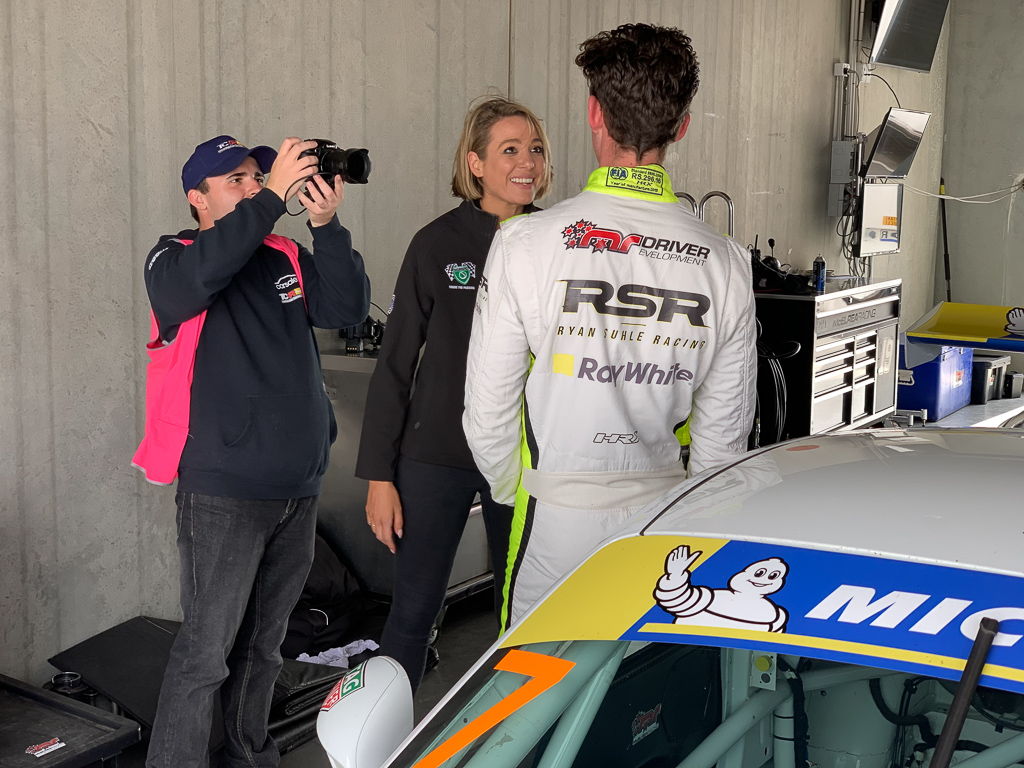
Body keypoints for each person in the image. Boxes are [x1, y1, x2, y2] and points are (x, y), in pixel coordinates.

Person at [463, 23, 757, 631]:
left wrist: (518, 490)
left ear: (594, 113)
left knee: (533, 701)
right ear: (681, 126)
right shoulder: (726, 261)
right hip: (663, 525)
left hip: (554, 517)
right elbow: (724, 444)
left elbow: (486, 412)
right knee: (640, 705)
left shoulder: (524, 240)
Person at [134, 134, 370, 767]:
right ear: (197, 199)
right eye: (234, 180)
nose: (252, 186)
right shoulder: (175, 258)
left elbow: (346, 305)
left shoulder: (284, 253)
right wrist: (266, 201)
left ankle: (250, 755)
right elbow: (193, 285)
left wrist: (326, 223)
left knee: (265, 648)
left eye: (254, 176)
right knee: (206, 651)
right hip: (223, 490)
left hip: (297, 484)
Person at [355, 97, 551, 690]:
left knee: (525, 618)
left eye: (535, 149)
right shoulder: (436, 244)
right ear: (475, 163)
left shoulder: (557, 243)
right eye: (509, 150)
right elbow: (395, 364)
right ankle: (383, 748)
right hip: (435, 455)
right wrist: (379, 476)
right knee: (413, 614)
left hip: (522, 459)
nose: (527, 163)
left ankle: (521, 744)